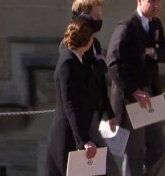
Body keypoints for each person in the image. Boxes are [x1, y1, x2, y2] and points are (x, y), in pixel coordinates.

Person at [45, 16, 119, 176]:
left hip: (84, 131)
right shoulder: (67, 64)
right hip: (68, 137)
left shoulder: (79, 62)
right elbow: (70, 105)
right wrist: (83, 140)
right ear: (87, 41)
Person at [106, 0, 165, 176]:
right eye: (151, 1)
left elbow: (162, 52)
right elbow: (113, 63)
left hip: (152, 95)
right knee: (135, 153)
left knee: (158, 147)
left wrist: (153, 52)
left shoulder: (156, 24)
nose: (156, 5)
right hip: (132, 99)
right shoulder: (126, 27)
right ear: (140, 1)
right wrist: (133, 90)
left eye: (158, 1)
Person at [71, 0, 116, 123]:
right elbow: (79, 76)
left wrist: (108, 113)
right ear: (84, 15)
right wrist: (100, 65)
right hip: (82, 112)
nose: (99, 20)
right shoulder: (72, 44)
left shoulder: (95, 43)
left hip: (96, 112)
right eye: (96, 16)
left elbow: (101, 82)